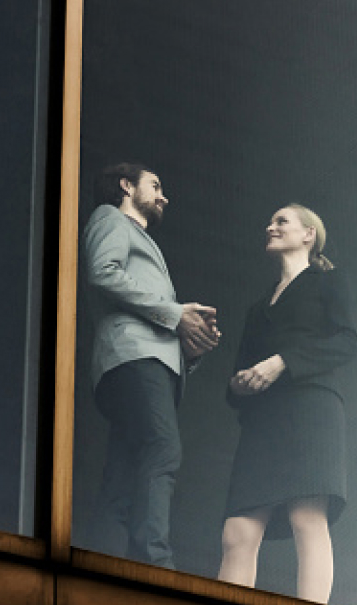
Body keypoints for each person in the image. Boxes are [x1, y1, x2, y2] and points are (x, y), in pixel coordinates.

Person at [217, 204, 357, 603]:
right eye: (271, 221)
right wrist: (242, 384)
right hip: (264, 418)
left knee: (306, 517)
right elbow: (237, 378)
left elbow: (348, 342)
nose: (271, 226)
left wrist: (283, 363)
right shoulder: (257, 308)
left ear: (308, 234)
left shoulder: (330, 283)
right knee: (238, 531)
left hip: (311, 409)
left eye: (282, 221)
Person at [83, 162, 220, 568]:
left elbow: (160, 316)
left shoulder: (143, 240)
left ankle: (100, 565)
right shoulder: (109, 218)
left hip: (146, 362)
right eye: (155, 185)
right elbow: (101, 272)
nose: (164, 196)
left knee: (122, 477)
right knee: (163, 447)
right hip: (132, 357)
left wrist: (190, 346)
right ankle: (155, 566)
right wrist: (175, 314)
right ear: (126, 186)